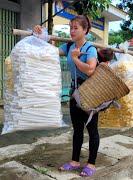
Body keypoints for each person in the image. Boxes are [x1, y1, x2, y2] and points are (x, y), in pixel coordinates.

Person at [34, 15, 99, 177]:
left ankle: (91, 163)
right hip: (74, 92)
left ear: (85, 30)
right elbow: (52, 52)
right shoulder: (69, 46)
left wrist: (76, 59)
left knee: (92, 129)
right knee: (77, 129)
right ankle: (75, 161)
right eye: (71, 27)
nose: (72, 31)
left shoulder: (90, 49)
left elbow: (91, 70)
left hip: (90, 93)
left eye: (76, 28)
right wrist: (41, 35)